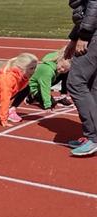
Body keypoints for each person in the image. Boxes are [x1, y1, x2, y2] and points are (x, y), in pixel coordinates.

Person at [65, 0, 97, 156]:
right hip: (91, 30)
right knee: (93, 85)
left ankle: (94, 137)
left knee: (75, 82)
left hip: (93, 34)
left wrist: (84, 35)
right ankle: (92, 136)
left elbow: (94, 4)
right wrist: (74, 38)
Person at [0, 53, 39, 127]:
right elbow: (5, 100)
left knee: (28, 87)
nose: (34, 71)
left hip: (3, 95)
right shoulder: (8, 79)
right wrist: (3, 119)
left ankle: (12, 109)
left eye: (35, 68)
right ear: (21, 68)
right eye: (31, 68)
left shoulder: (22, 77)